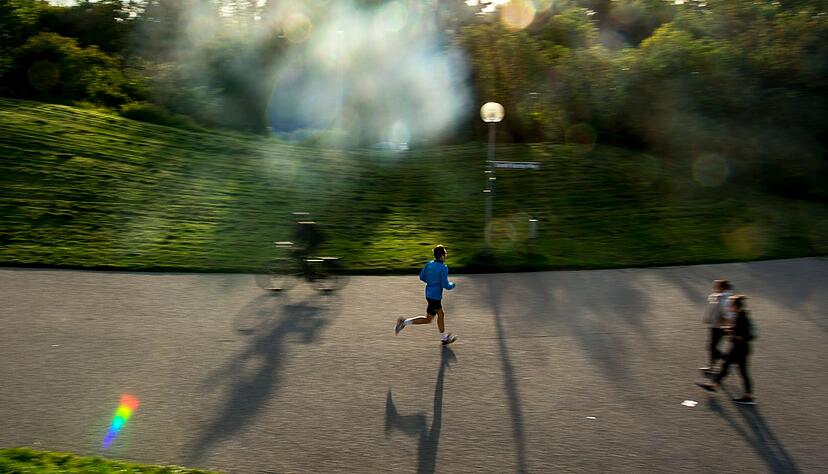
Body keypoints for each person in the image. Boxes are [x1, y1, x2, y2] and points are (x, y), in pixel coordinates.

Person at [697, 295, 756, 405]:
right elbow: (738, 331)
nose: (729, 307)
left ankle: (748, 396)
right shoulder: (740, 315)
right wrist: (729, 330)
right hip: (739, 348)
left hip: (740, 349)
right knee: (727, 366)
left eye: (730, 305)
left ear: (735, 306)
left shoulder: (742, 318)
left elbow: (745, 336)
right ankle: (714, 385)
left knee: (738, 370)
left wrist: (732, 334)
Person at [395, 245, 457, 345]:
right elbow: (445, 284)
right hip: (435, 296)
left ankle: (404, 322)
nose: (445, 256)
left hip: (429, 294)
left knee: (429, 318)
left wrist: (431, 282)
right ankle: (444, 338)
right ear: (441, 256)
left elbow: (422, 277)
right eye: (445, 254)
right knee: (439, 315)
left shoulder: (429, 264)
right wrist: (452, 285)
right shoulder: (443, 268)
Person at [699, 279, 733, 373]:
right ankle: (712, 366)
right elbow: (711, 308)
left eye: (716, 285)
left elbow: (728, 312)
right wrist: (708, 318)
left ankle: (727, 361)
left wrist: (725, 321)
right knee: (711, 346)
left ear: (722, 287)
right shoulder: (716, 296)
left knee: (711, 347)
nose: (714, 287)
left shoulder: (726, 298)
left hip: (720, 326)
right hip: (714, 325)